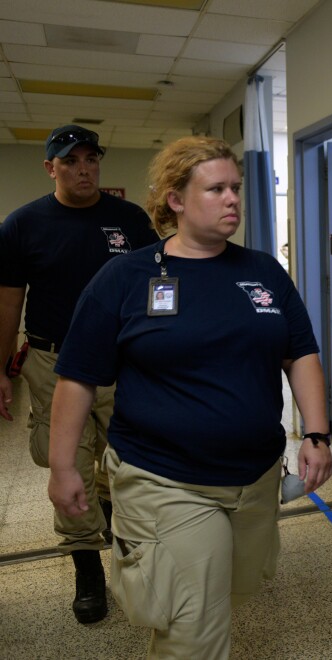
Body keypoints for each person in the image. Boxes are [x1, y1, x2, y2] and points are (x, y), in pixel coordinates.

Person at [46, 135, 332, 658]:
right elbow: (77, 377)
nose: (232, 200)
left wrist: (316, 433)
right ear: (176, 200)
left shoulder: (263, 271)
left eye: (236, 189)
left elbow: (300, 353)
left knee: (229, 593)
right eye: (216, 189)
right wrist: (63, 467)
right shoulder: (126, 277)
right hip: (165, 478)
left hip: (254, 478)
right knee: (192, 629)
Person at [0, 124, 157, 624]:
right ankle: (86, 560)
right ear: (51, 167)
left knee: (127, 458)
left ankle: (123, 540)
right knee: (66, 460)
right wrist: (1, 369)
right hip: (53, 361)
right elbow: (8, 303)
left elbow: (159, 286)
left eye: (91, 159)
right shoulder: (23, 225)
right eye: (70, 160)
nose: (83, 168)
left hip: (121, 359)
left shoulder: (129, 219)